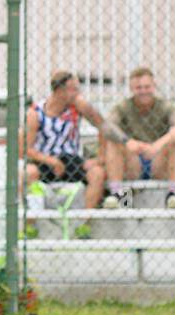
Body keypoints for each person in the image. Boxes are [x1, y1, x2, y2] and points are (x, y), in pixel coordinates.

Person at [22, 70, 112, 214]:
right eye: (73, 89)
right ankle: (31, 223)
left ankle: (84, 224)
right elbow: (26, 149)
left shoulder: (76, 107)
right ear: (60, 91)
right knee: (29, 172)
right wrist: (51, 161)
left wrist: (100, 158)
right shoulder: (35, 113)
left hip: (72, 161)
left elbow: (102, 126)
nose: (78, 94)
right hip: (45, 161)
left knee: (97, 173)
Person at [103, 67, 175, 209]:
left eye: (147, 87)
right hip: (133, 162)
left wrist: (158, 145)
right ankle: (117, 194)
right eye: (138, 87)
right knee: (113, 143)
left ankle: (173, 193)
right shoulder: (123, 107)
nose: (143, 91)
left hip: (158, 161)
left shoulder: (164, 106)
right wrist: (128, 142)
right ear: (131, 88)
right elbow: (107, 126)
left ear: (153, 87)